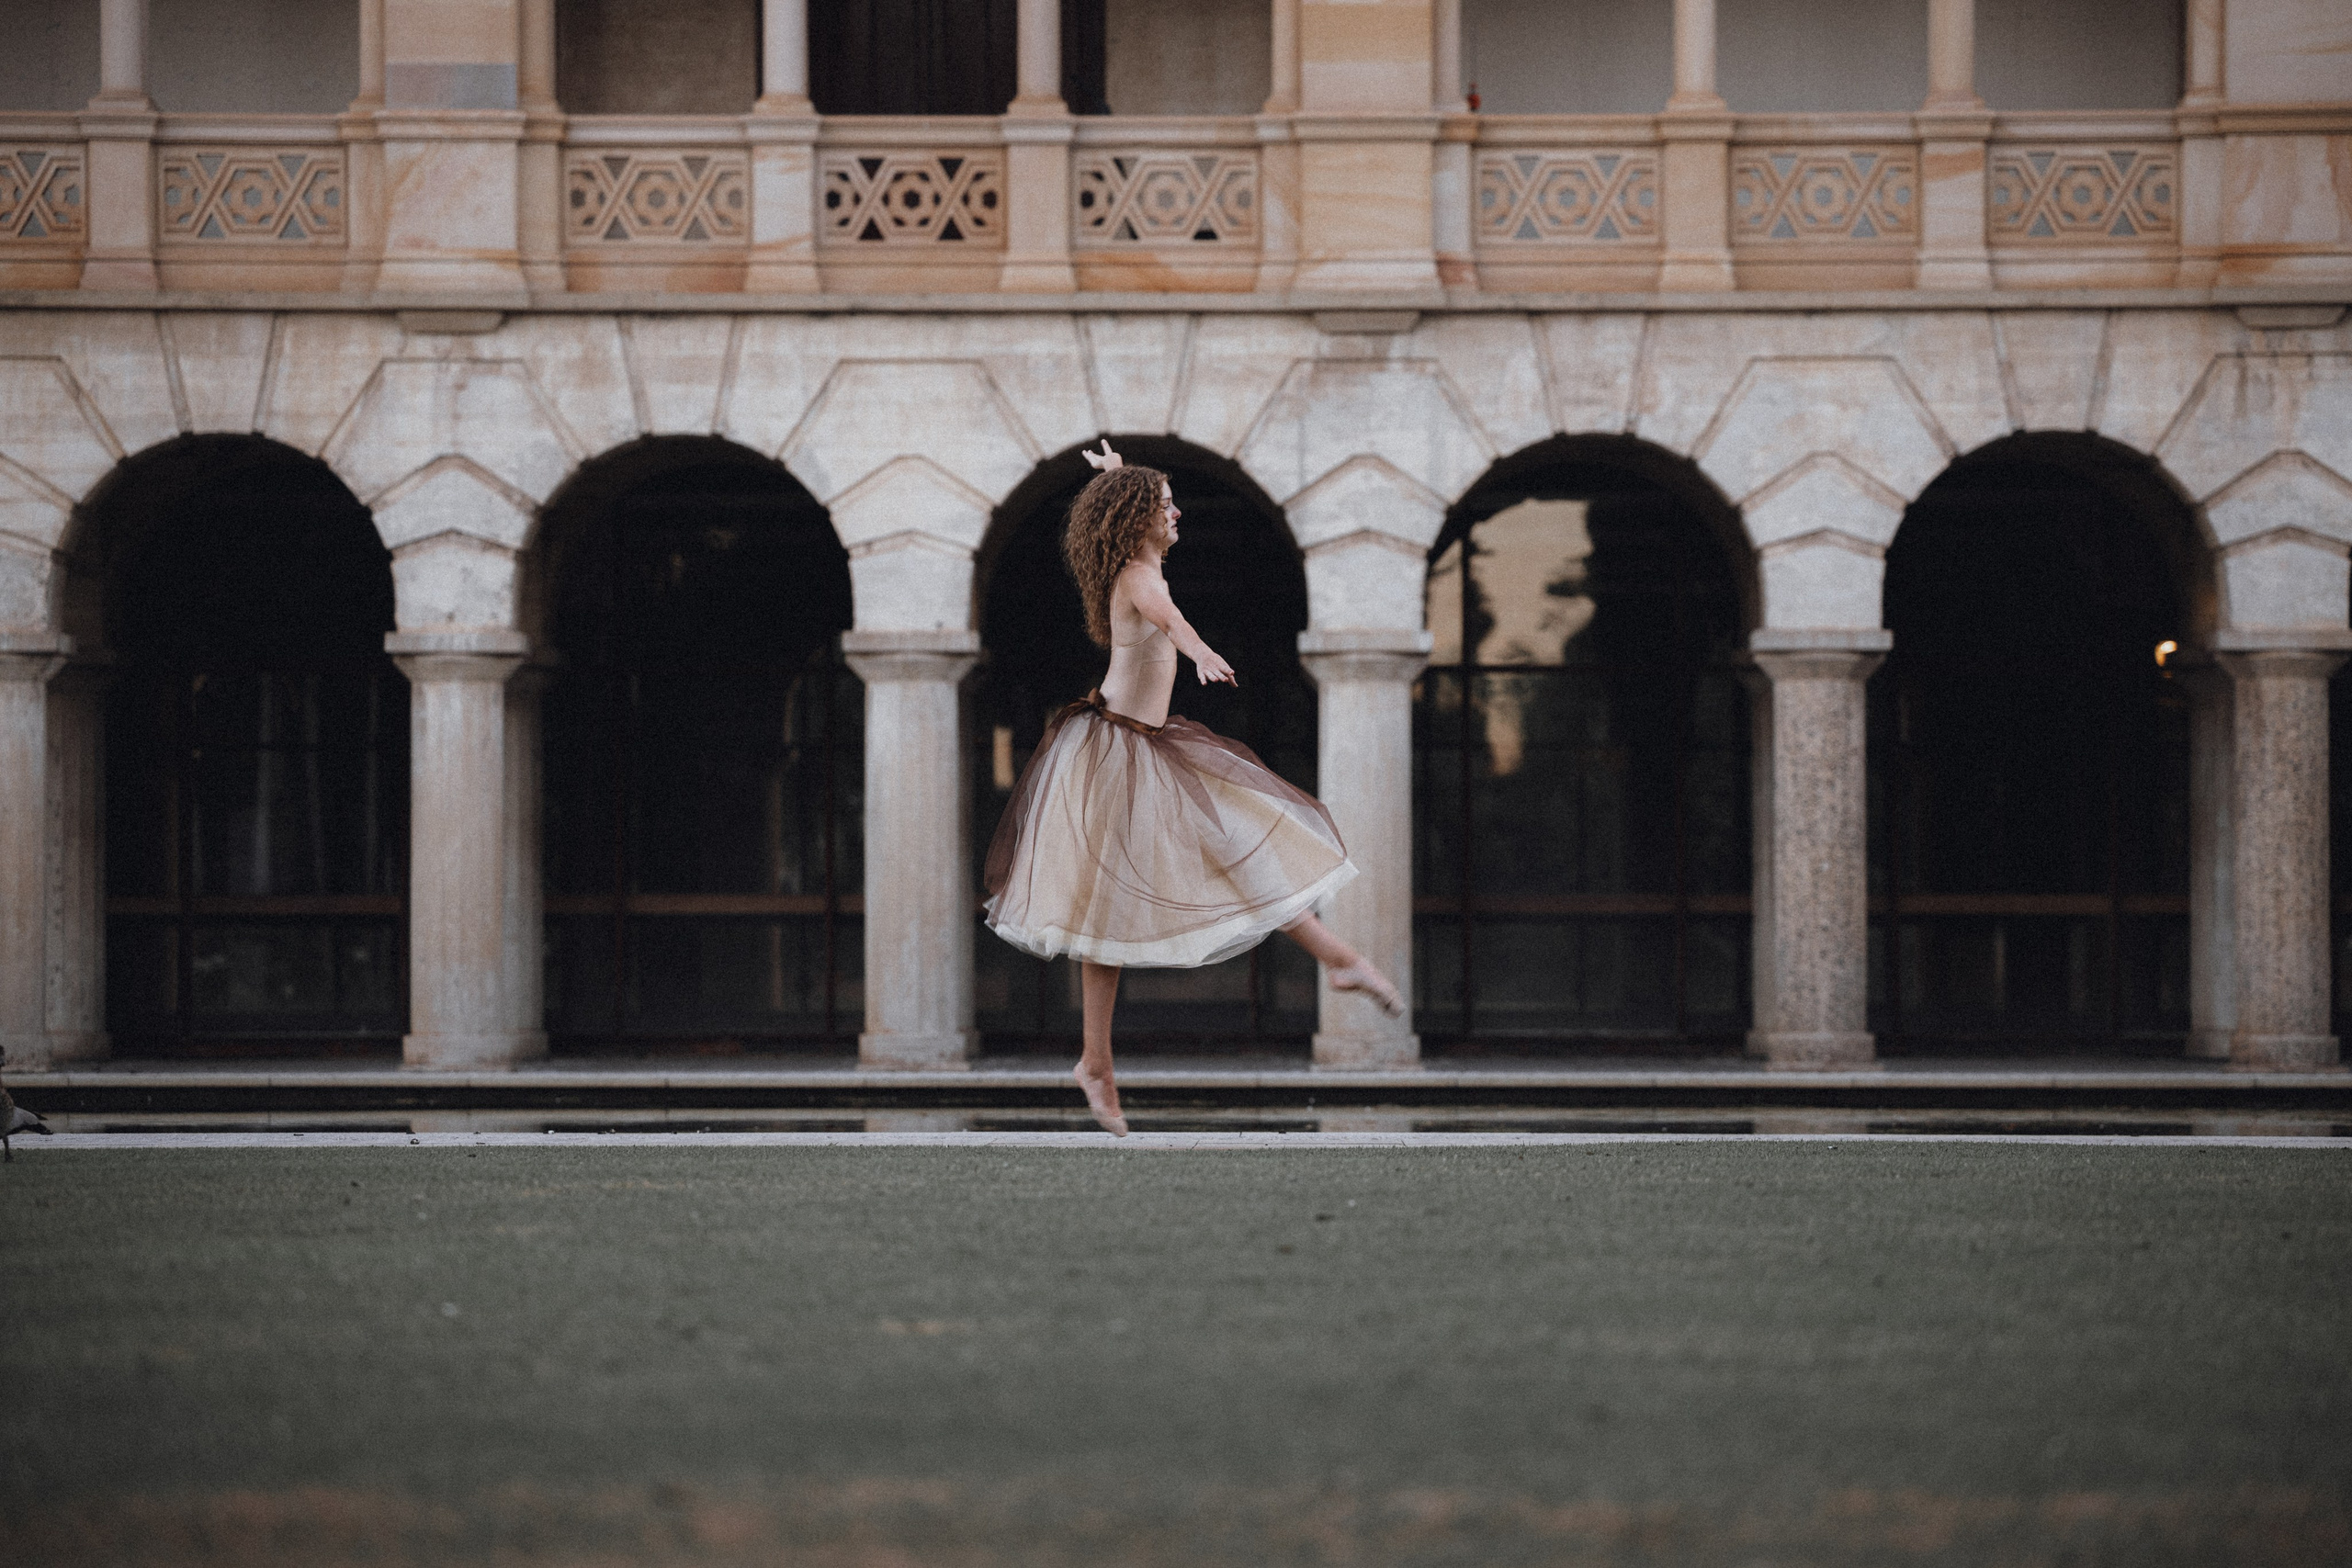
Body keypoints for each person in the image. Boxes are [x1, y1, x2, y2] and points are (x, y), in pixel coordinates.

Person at [983, 440, 1405, 1136]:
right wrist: (1202, 650)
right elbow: (1169, 619)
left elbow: (1149, 577)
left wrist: (1120, 477)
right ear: (1137, 519)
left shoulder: (1137, 562)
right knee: (1111, 911)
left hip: (1141, 747)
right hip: (1119, 752)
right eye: (1164, 504)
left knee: (1232, 859)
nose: (1177, 512)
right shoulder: (1140, 577)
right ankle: (1098, 1063)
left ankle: (1341, 961)